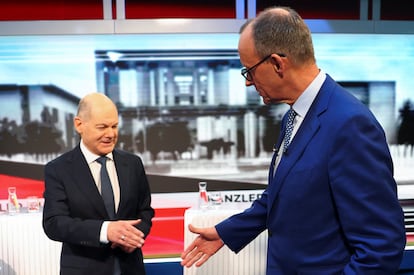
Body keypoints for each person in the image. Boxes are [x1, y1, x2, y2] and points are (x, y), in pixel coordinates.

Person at [181, 6, 406, 274]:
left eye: (248, 71)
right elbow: (280, 195)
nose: (248, 83)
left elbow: (381, 246)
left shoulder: (349, 124)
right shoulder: (294, 117)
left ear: (277, 63)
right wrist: (226, 232)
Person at [43, 92, 154, 275]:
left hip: (131, 268)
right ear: (79, 125)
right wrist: (105, 231)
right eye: (102, 127)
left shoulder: (133, 164)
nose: (110, 134)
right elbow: (54, 223)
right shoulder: (58, 169)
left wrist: (133, 236)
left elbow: (145, 211)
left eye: (114, 126)